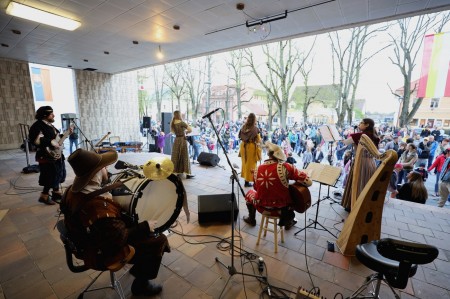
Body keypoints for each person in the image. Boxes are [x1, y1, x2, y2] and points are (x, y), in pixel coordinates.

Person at [61, 149, 169, 296]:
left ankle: (140, 269)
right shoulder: (98, 207)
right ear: (97, 172)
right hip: (101, 252)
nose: (106, 169)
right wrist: (144, 226)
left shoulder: (70, 192)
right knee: (158, 239)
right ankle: (141, 286)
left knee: (136, 225)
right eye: (104, 167)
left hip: (85, 240)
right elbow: (116, 239)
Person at [243, 141, 312, 229]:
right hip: (284, 209)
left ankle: (251, 219)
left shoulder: (257, 170)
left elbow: (256, 189)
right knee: (290, 192)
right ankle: (288, 221)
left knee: (250, 193)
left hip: (263, 208)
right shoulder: (286, 167)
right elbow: (309, 182)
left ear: (269, 155)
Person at [28, 106, 70, 205]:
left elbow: (56, 139)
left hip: (55, 154)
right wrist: (51, 142)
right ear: (45, 115)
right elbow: (36, 140)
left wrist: (66, 134)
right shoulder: (37, 126)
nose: (53, 115)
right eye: (51, 114)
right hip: (46, 155)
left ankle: (56, 193)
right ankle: (44, 196)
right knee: (50, 176)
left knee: (58, 174)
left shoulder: (50, 125)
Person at [340, 118, 380, 211]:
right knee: (364, 183)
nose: (359, 124)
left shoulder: (360, 135)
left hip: (360, 162)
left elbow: (345, 142)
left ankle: (352, 205)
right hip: (371, 163)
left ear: (367, 125)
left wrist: (340, 139)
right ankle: (362, 205)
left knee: (357, 182)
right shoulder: (375, 136)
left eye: (361, 123)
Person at [239, 113, 261, 187]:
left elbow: (240, 136)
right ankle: (248, 181)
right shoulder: (255, 128)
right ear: (255, 119)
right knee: (251, 165)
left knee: (245, 164)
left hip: (243, 146)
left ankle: (246, 180)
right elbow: (258, 140)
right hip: (250, 147)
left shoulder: (243, 127)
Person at [170, 111, 194, 179]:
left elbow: (173, 132)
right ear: (179, 115)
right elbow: (190, 129)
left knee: (176, 156)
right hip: (182, 140)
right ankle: (187, 173)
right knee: (185, 156)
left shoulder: (173, 123)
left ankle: (176, 172)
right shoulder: (182, 123)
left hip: (177, 140)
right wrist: (186, 132)